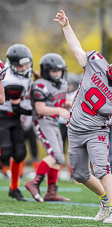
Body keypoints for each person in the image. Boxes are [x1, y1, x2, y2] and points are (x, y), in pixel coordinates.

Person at [54, 10, 112, 224]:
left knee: (103, 170)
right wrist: (66, 26)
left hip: (96, 132)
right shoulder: (96, 62)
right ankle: (104, 200)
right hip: (74, 128)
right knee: (79, 175)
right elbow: (77, 49)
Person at [25, 53, 71, 202]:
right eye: (54, 71)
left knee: (59, 158)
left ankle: (51, 191)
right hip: (42, 121)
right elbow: (40, 109)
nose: (57, 74)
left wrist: (67, 103)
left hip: (53, 122)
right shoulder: (40, 85)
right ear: (46, 71)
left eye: (59, 71)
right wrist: (60, 110)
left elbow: (57, 102)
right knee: (55, 155)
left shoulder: (62, 84)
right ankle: (34, 183)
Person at [0, 43, 33, 201]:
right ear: (12, 66)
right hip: (3, 116)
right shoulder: (10, 80)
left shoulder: (24, 70)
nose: (25, 68)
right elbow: (17, 106)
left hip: (14, 117)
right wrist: (36, 112)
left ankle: (14, 188)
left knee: (20, 153)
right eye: (21, 66)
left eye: (27, 64)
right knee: (5, 152)